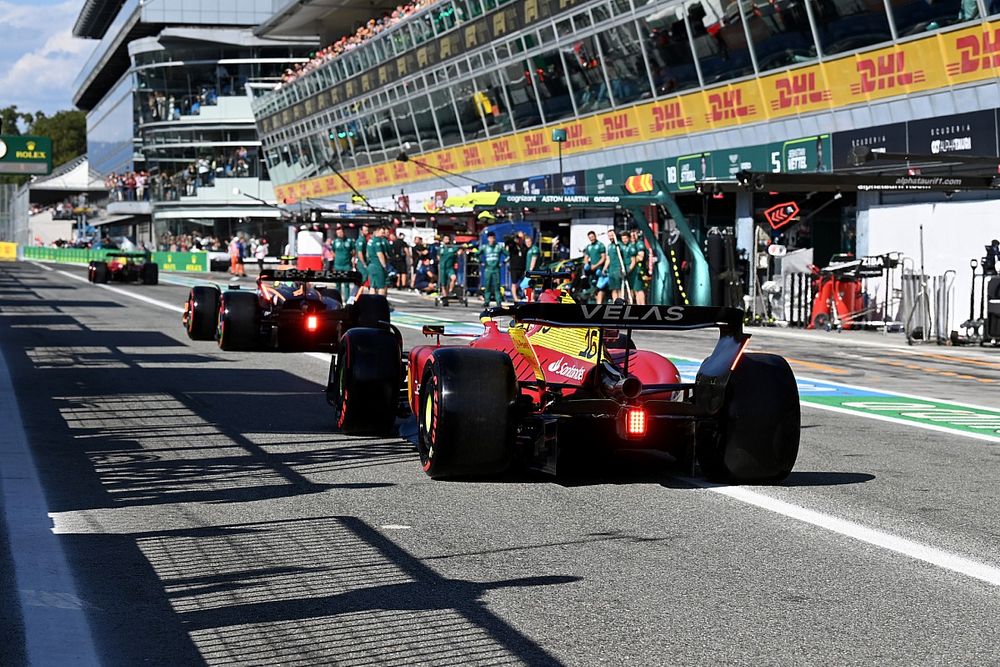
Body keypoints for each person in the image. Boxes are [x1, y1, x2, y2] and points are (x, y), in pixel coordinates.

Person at [481, 230, 507, 307]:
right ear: (488, 239)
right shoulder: (484, 247)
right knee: (487, 285)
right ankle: (486, 301)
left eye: (493, 238)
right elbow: (476, 254)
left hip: (496, 269)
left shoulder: (499, 247)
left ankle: (498, 301)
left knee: (497, 286)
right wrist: (480, 262)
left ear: (495, 238)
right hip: (487, 269)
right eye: (490, 238)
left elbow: (508, 255)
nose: (492, 240)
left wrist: (503, 262)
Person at [605, 229, 632, 302]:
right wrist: (604, 268)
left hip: (618, 269)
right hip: (611, 270)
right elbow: (608, 259)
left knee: (620, 287)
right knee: (613, 288)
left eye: (612, 235)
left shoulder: (619, 245)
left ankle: (621, 301)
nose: (611, 237)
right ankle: (615, 302)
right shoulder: (609, 246)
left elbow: (625, 256)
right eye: (609, 236)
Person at [583, 230, 607, 303]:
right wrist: (587, 264)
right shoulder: (589, 247)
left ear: (595, 236)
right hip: (592, 271)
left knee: (600, 287)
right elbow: (586, 257)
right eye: (590, 237)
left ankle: (600, 302)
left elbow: (603, 258)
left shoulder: (600, 245)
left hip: (599, 269)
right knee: (593, 287)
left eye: (592, 237)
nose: (591, 238)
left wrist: (596, 266)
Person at [366, 225, 391, 296]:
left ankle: (372, 303)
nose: (383, 234)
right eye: (382, 232)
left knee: (372, 286)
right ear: (377, 231)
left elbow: (367, 254)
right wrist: (384, 266)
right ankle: (381, 303)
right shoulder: (377, 242)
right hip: (378, 265)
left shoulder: (370, 241)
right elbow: (380, 254)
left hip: (371, 265)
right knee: (381, 286)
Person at [332, 225, 354, 297]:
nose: (340, 234)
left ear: (344, 232)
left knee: (346, 284)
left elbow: (353, 251)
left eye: (341, 232)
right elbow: (333, 251)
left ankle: (347, 300)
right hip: (337, 265)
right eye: (338, 233)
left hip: (347, 265)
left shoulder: (349, 241)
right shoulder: (335, 241)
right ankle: (338, 298)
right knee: (338, 284)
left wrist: (350, 259)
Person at [628, 230, 647, 305]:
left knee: (639, 289)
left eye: (634, 235)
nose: (632, 237)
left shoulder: (640, 244)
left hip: (639, 270)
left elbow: (641, 257)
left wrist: (632, 259)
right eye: (631, 235)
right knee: (635, 290)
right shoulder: (631, 244)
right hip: (633, 271)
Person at [438, 234, 460, 300]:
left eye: (448, 239)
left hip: (450, 268)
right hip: (443, 268)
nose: (447, 240)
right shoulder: (441, 248)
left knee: (453, 278)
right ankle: (445, 297)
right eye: (445, 239)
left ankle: (450, 291)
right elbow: (438, 257)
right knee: (443, 283)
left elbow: (459, 250)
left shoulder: (452, 247)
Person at [507, 230, 527, 300]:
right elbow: (508, 242)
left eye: (522, 238)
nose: (520, 239)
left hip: (522, 268)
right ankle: (515, 298)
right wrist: (515, 238)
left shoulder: (524, 247)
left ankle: (526, 296)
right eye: (519, 238)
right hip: (514, 268)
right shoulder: (513, 246)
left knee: (525, 283)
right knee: (514, 283)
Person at [353, 224, 370, 298]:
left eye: (367, 230)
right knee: (361, 281)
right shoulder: (361, 240)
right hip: (361, 264)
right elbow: (359, 253)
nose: (367, 232)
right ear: (361, 231)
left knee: (362, 282)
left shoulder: (364, 239)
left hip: (362, 263)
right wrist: (364, 263)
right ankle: (354, 297)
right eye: (365, 230)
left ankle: (357, 297)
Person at [523, 235, 541, 302]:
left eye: (528, 242)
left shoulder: (534, 249)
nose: (527, 243)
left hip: (532, 271)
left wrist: (530, 270)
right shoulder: (530, 249)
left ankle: (530, 299)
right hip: (530, 271)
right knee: (529, 286)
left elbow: (534, 260)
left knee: (528, 285)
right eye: (526, 242)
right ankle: (529, 299)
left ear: (531, 241)